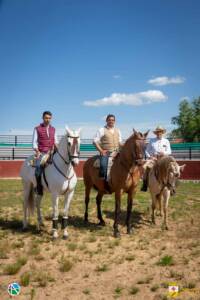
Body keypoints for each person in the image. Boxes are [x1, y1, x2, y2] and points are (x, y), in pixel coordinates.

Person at [32, 111, 58, 195]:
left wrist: (58, 151)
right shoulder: (37, 128)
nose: (48, 120)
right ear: (43, 118)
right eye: (46, 118)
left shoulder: (53, 129)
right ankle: (39, 187)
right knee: (38, 169)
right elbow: (34, 143)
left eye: (49, 118)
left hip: (52, 152)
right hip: (42, 152)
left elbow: (56, 142)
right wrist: (37, 151)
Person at [141, 125, 172, 192]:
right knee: (145, 167)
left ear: (162, 132)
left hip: (164, 159)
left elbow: (169, 151)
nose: (159, 133)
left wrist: (164, 153)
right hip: (154, 159)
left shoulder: (166, 141)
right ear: (156, 133)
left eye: (160, 132)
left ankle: (171, 186)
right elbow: (146, 150)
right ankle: (145, 184)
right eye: (158, 132)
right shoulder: (152, 140)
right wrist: (150, 156)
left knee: (173, 168)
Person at [93, 114, 122, 180]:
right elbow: (95, 141)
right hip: (107, 152)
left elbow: (120, 143)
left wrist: (126, 145)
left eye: (112, 120)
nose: (111, 121)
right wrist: (101, 151)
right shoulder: (102, 130)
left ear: (114, 121)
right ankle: (103, 181)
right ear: (106, 120)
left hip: (117, 152)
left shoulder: (118, 130)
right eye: (109, 120)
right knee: (103, 165)